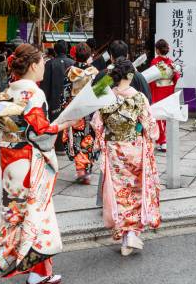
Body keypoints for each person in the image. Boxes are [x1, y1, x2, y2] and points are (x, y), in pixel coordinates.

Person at [0, 44, 73, 284]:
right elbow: (41, 131)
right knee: (25, 216)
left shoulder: (10, 90)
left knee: (28, 213)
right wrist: (65, 123)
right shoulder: (34, 93)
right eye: (41, 62)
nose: (44, 66)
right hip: (29, 161)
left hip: (11, 159)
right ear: (33, 65)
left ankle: (40, 272)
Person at [91, 59, 161, 256]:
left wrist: (101, 142)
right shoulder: (139, 98)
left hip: (114, 150)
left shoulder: (105, 97)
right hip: (134, 149)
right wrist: (149, 137)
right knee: (135, 191)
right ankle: (131, 233)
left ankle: (125, 235)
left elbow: (97, 124)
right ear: (130, 76)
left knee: (118, 192)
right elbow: (150, 125)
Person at [61, 43, 100, 184]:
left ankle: (81, 170)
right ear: (89, 56)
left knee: (76, 139)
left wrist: (64, 108)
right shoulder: (95, 72)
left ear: (74, 55)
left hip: (75, 111)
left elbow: (65, 93)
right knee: (89, 138)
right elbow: (101, 91)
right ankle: (87, 170)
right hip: (90, 111)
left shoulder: (70, 72)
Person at [148, 39, 180, 152]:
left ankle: (162, 141)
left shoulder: (155, 62)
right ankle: (164, 139)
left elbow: (151, 79)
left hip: (158, 90)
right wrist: (170, 86)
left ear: (157, 50)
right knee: (166, 115)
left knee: (158, 115)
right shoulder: (171, 63)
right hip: (168, 89)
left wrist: (151, 91)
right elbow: (176, 78)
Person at [40, 40, 75, 123]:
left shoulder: (50, 64)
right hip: (70, 101)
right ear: (66, 50)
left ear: (55, 51)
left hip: (54, 101)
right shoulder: (73, 63)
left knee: (55, 126)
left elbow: (45, 86)